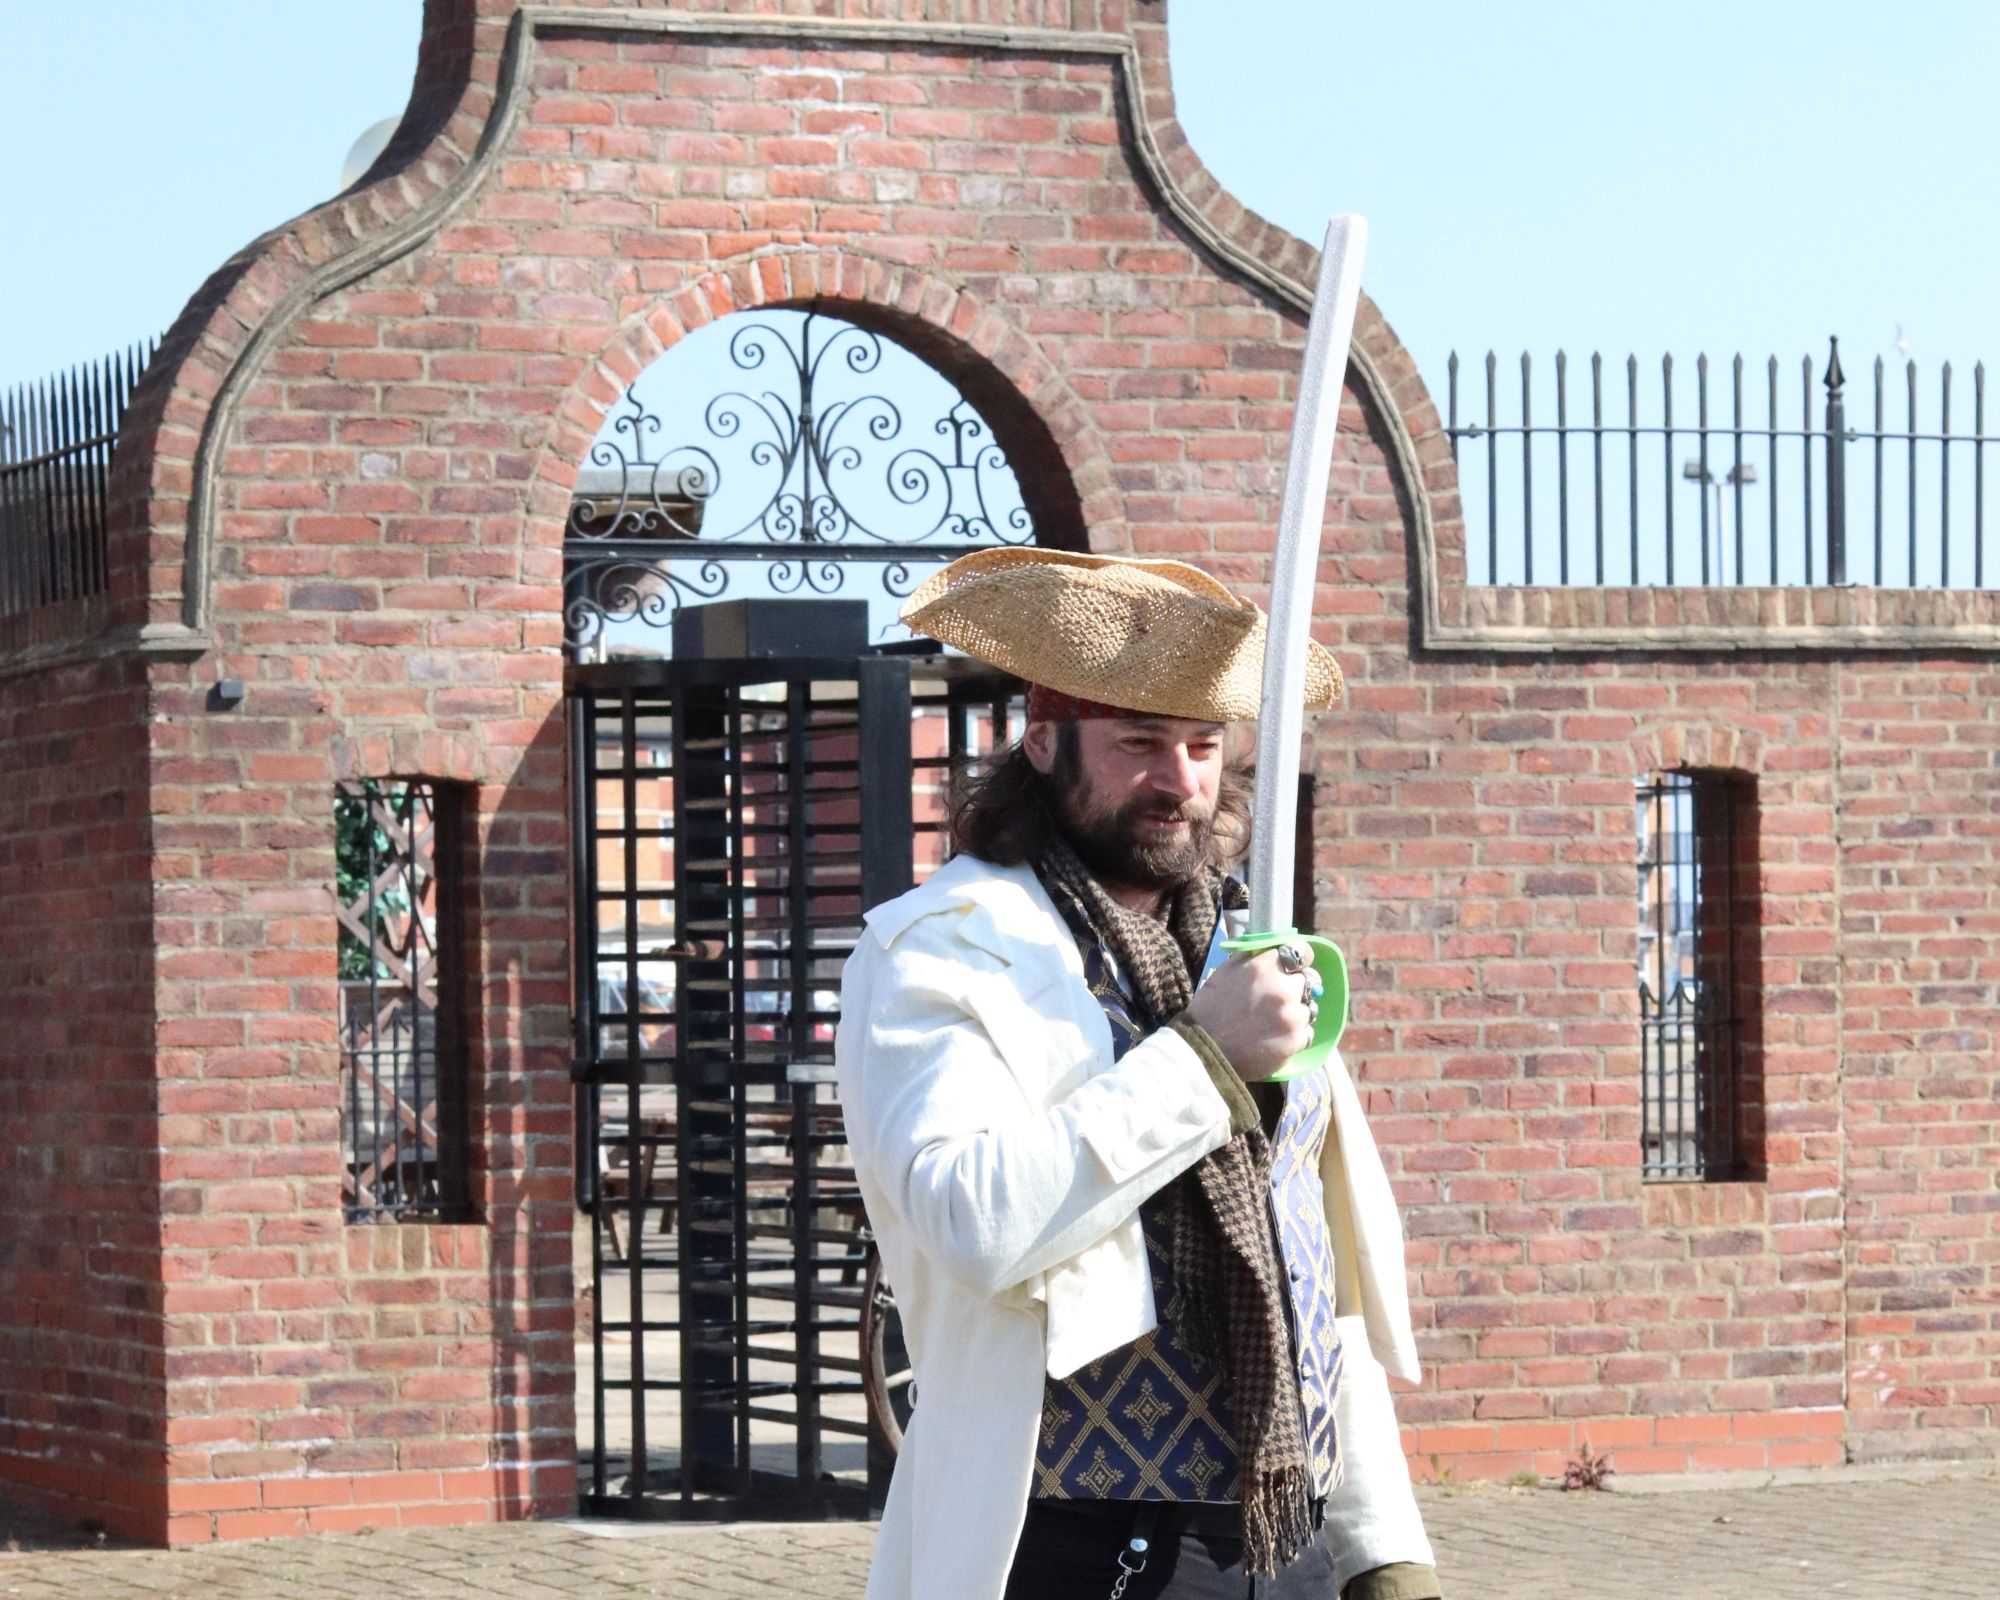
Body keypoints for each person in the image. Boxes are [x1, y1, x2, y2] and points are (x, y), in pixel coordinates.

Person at [836, 550, 1440, 1600]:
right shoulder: (936, 953)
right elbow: (971, 1219)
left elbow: (1308, 1268)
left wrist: (1382, 1548)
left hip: (1278, 1530)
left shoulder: (1253, 958)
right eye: (1138, 745)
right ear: (1039, 743)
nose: (1180, 781)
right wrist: (1202, 1059)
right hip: (1071, 1544)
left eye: (1203, 746)